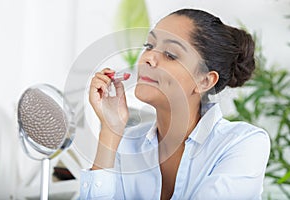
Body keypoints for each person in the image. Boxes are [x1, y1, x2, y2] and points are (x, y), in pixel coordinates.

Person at [80, 8, 270, 200]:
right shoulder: (126, 144)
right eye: (149, 45)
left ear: (204, 81)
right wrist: (110, 130)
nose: (147, 58)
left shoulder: (243, 144)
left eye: (170, 55)